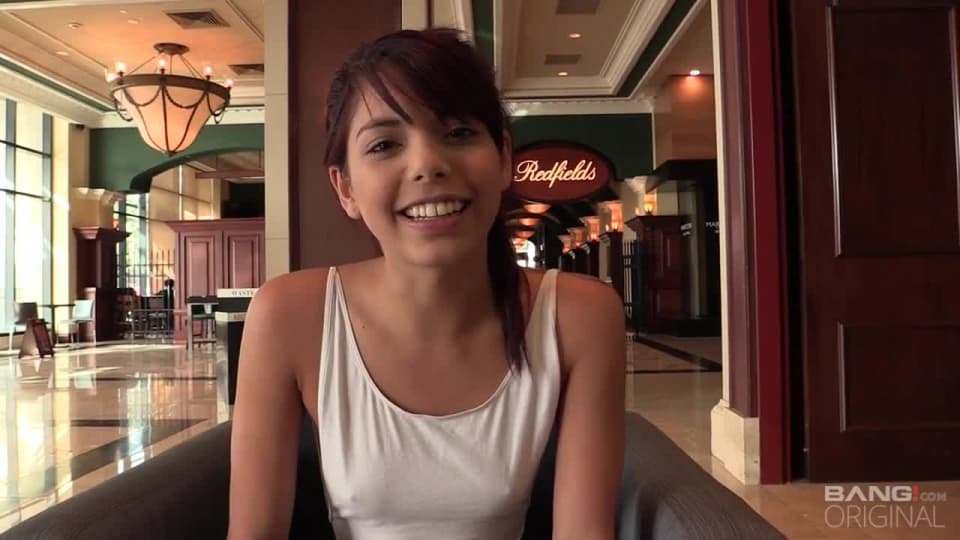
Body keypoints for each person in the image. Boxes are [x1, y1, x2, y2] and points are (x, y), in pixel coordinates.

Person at [228, 28, 625, 540]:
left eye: (458, 133)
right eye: (384, 144)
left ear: (504, 158)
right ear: (345, 188)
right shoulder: (289, 315)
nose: (428, 165)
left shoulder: (580, 316)